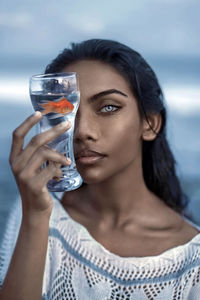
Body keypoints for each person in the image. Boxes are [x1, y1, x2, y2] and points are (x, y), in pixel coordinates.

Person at [0, 39, 200, 300]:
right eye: (65, 111)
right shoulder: (39, 213)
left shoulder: (191, 263)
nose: (82, 131)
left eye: (108, 107)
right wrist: (35, 216)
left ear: (149, 124)